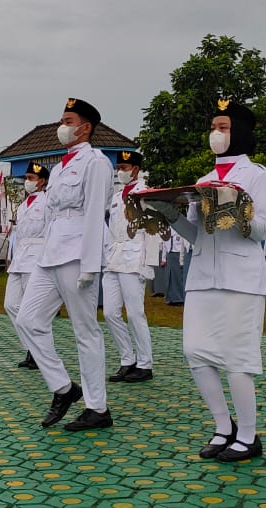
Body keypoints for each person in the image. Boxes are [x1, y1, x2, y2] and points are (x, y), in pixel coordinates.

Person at [147, 99, 266, 462]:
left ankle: (247, 436)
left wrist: (235, 207)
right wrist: (169, 214)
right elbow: (197, 234)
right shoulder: (202, 182)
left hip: (240, 279)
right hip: (202, 277)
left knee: (237, 358)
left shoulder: (257, 175)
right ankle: (222, 426)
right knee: (195, 353)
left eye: (224, 127)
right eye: (214, 127)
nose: (216, 134)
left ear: (240, 132)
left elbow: (262, 230)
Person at [16, 97, 114, 431]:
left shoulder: (96, 162)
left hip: (77, 253)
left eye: (68, 121)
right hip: (51, 252)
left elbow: (95, 213)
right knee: (28, 320)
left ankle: (97, 408)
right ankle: (63, 388)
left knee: (85, 330)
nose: (62, 126)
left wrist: (91, 263)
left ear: (85, 128)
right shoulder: (58, 168)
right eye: (62, 120)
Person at [104, 150, 161, 384]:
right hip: (114, 258)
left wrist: (149, 265)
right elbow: (111, 230)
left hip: (135, 257)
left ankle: (145, 364)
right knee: (109, 312)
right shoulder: (117, 197)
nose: (120, 171)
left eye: (124, 168)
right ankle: (127, 359)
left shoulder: (145, 194)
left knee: (136, 313)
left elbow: (154, 230)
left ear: (135, 169)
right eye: (118, 167)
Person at [5, 162, 51, 370]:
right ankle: (32, 346)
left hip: (37, 258)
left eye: (31, 178)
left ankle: (39, 351)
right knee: (11, 304)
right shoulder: (23, 206)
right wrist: (11, 255)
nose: (27, 182)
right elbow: (18, 235)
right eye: (26, 178)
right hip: (20, 258)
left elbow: (51, 231)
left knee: (34, 310)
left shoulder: (48, 202)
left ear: (42, 181)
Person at [164, 234, 188, 306]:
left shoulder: (180, 230)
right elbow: (164, 242)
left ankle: (180, 298)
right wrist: (163, 258)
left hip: (178, 253)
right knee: (170, 276)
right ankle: (170, 298)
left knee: (178, 277)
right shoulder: (167, 230)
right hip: (169, 253)